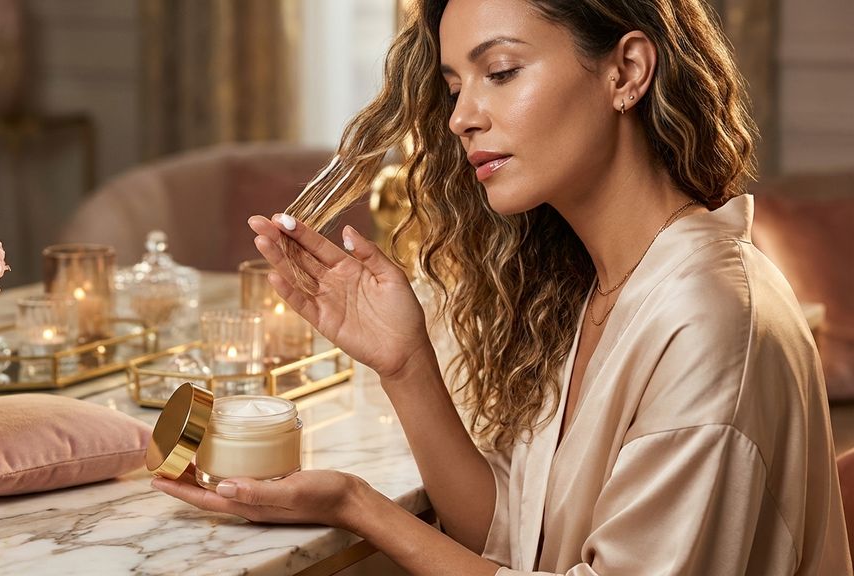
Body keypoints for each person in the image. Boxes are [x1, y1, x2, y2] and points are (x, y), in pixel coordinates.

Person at [151, 0, 853, 573]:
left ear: (627, 71)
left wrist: (359, 507)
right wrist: (405, 362)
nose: (461, 117)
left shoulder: (706, 316)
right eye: (456, 87)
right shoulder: (600, 282)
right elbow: (519, 533)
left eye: (503, 71)